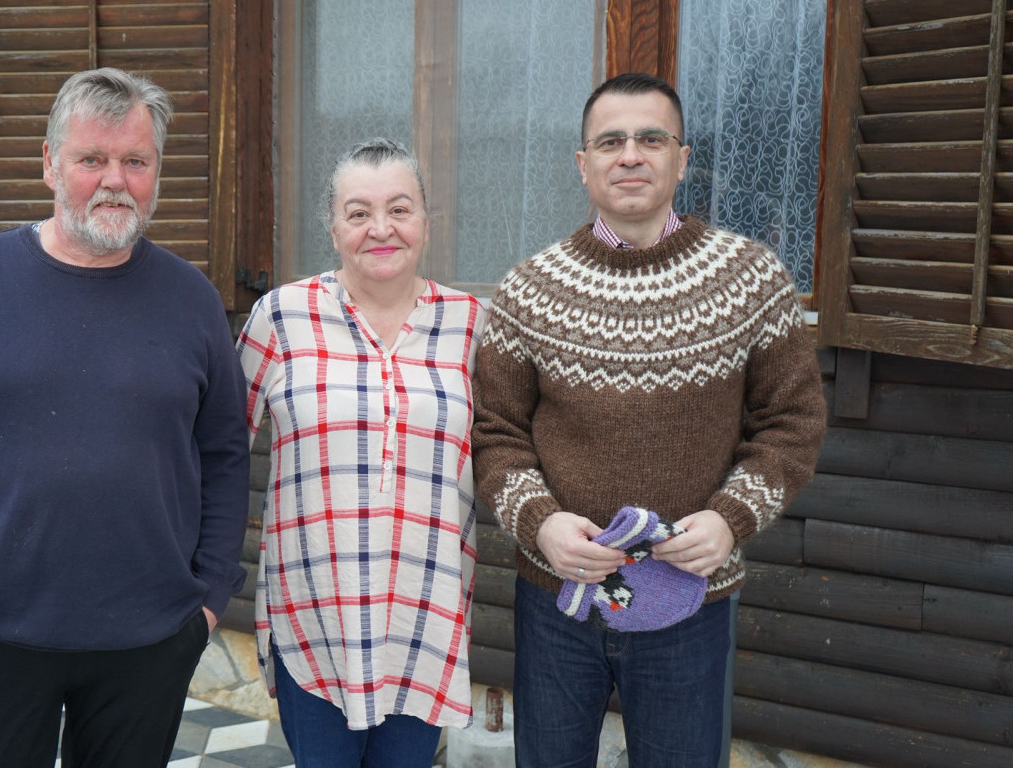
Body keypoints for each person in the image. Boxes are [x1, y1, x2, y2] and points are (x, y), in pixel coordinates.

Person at [0, 68, 249, 767]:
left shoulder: (192, 300)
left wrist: (208, 599)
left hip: (149, 639)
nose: (115, 180)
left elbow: (223, 452)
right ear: (49, 164)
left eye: (136, 161)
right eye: (91, 159)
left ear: (156, 171)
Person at [472, 72, 826, 767]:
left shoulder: (751, 279)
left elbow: (792, 421)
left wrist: (730, 518)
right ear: (584, 164)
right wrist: (540, 521)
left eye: (650, 138)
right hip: (557, 600)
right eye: (610, 141)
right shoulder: (528, 290)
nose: (629, 155)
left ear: (682, 157)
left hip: (692, 602)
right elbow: (496, 436)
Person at [236, 138, 487, 767]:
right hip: (313, 618)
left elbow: (511, 453)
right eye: (358, 213)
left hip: (424, 621)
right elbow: (217, 454)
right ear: (333, 226)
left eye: (399, 210)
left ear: (428, 221)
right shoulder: (281, 319)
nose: (381, 229)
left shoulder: (472, 327)